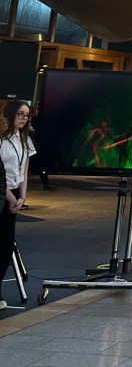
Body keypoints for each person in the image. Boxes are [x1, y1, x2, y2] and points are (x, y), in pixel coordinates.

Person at [0, 100, 35, 311]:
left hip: (14, 194)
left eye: (27, 115)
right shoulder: (1, 140)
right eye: (20, 114)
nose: (23, 118)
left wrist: (22, 197)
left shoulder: (25, 140)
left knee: (6, 245)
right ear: (10, 114)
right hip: (2, 192)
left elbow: (23, 171)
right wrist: (10, 197)